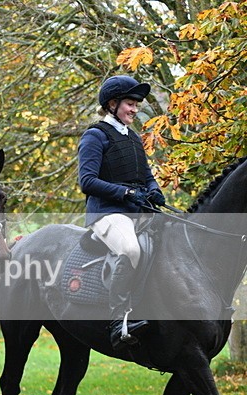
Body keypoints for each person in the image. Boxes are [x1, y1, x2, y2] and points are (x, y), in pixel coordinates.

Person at [78, 75, 166, 350]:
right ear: (112, 104)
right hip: (107, 214)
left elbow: (146, 175)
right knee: (130, 250)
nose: (135, 110)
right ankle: (119, 322)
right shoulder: (95, 136)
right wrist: (125, 193)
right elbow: (87, 181)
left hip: (137, 212)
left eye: (137, 105)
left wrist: (154, 190)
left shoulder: (134, 138)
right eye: (130, 104)